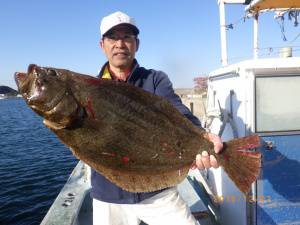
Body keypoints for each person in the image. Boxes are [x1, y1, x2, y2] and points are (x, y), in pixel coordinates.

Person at [92, 11, 223, 225]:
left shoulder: (154, 80)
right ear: (102, 45)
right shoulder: (93, 89)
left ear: (137, 44)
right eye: (113, 37)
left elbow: (176, 109)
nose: (120, 43)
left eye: (127, 37)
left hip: (156, 191)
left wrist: (202, 136)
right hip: (109, 195)